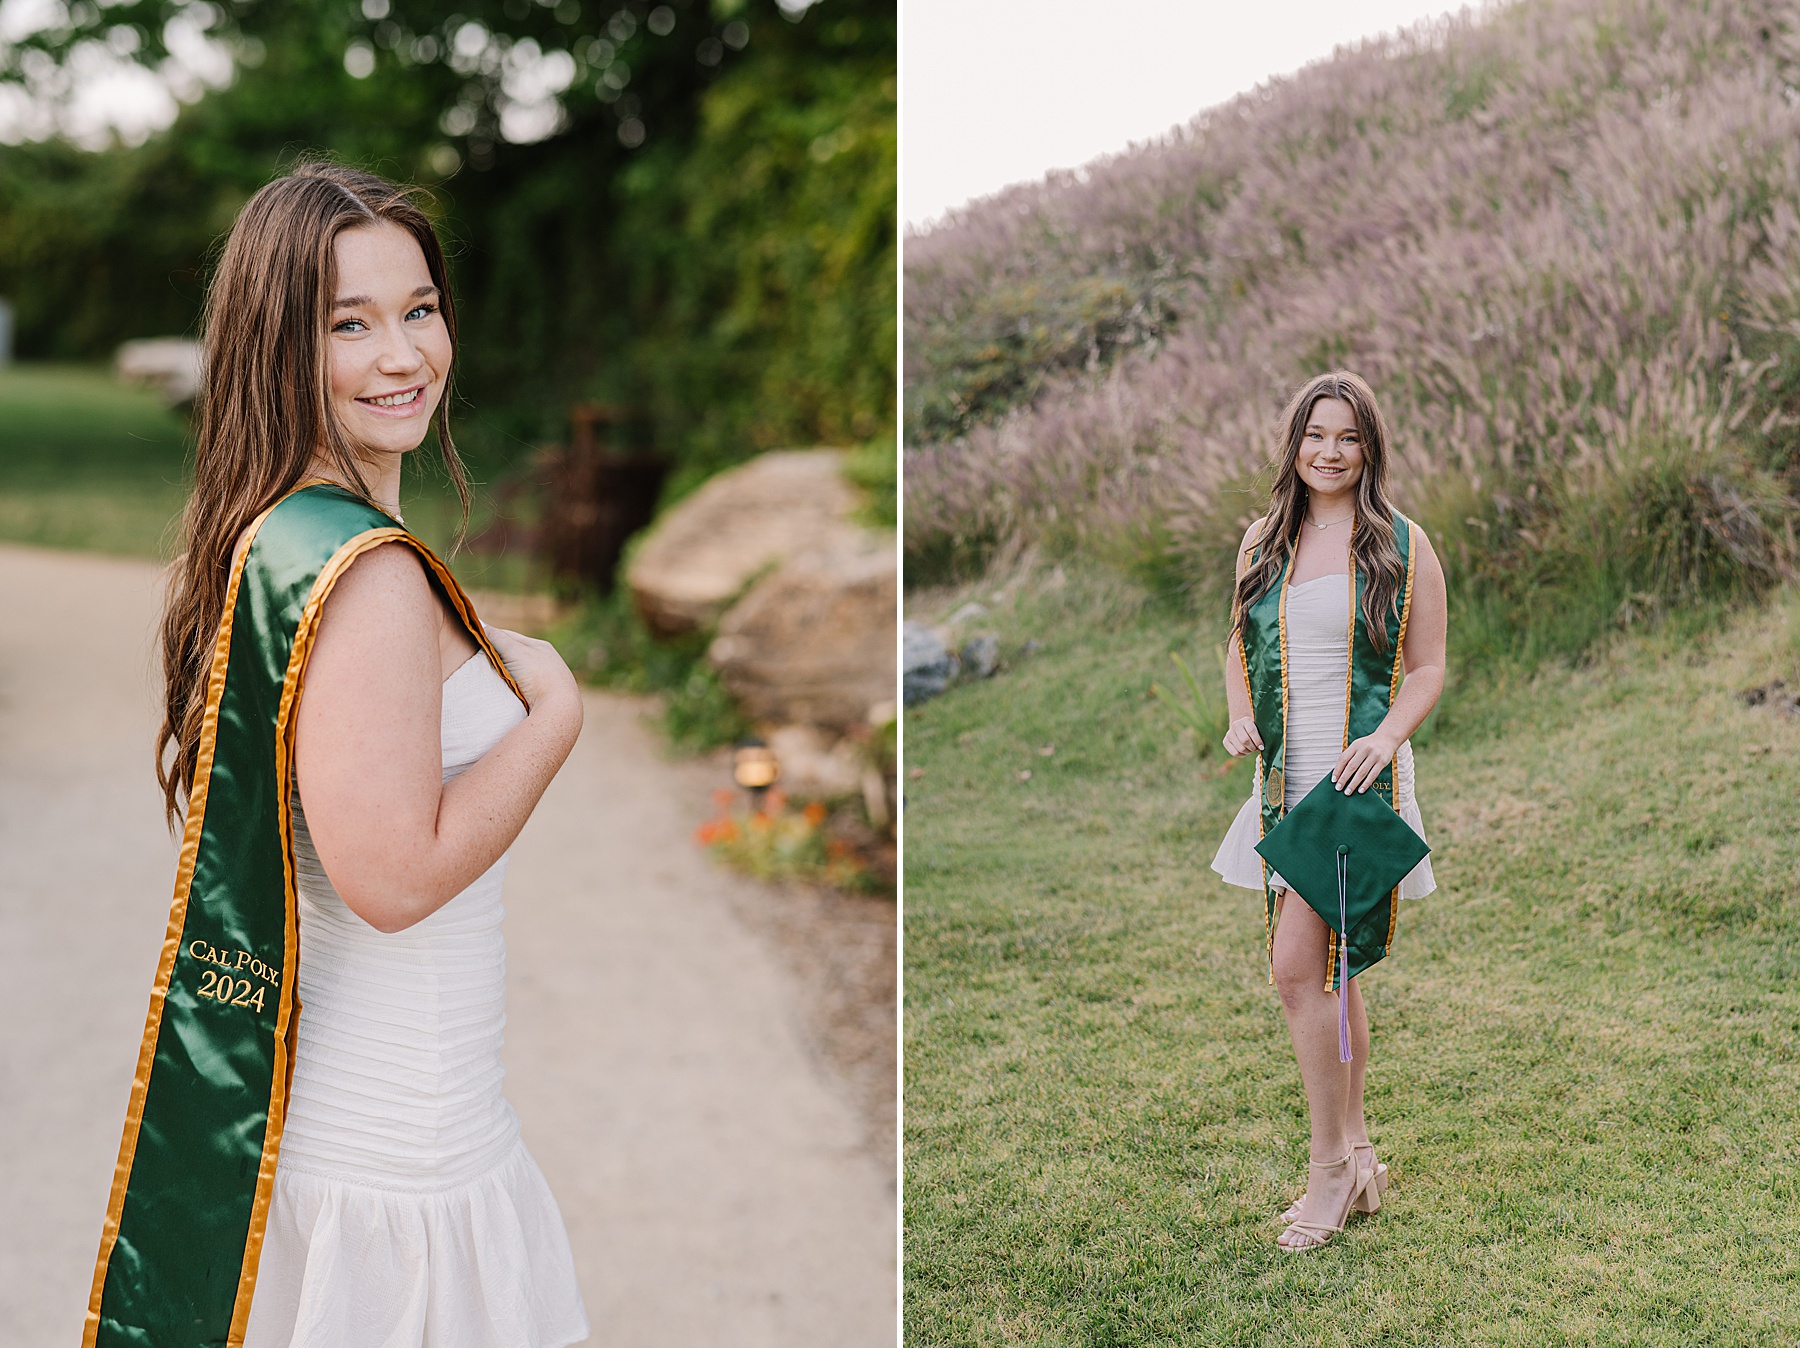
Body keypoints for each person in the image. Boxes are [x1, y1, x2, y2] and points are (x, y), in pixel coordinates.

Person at [84, 163, 589, 1347]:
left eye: (419, 309)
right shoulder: (365, 577)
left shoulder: (279, 535)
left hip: (353, 1129)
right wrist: (555, 714)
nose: (402, 354)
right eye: (347, 325)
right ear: (276, 349)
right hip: (400, 1154)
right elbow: (391, 876)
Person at [1209, 370, 1448, 1252]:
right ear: (1295, 444)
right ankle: (1358, 1156)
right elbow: (1238, 643)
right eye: (1316, 436)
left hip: (1354, 781)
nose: (1330, 453)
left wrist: (1386, 739)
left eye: (1348, 437)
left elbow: (1426, 668)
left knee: (1295, 971)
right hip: (1283, 782)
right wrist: (1240, 715)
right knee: (1330, 976)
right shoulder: (1262, 541)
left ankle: (1328, 1175)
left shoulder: (1403, 544)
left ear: (1370, 446)